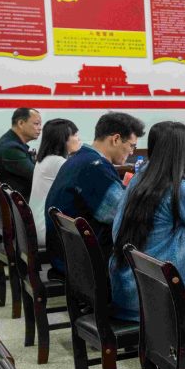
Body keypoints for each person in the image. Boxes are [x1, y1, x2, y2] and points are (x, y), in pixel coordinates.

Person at [109, 122, 185, 321]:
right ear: (184, 153)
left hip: (128, 291)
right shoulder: (175, 189)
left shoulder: (141, 178)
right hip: (159, 301)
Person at [44, 112, 145, 272]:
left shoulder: (79, 159)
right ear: (116, 139)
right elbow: (124, 216)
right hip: (84, 262)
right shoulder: (95, 168)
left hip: (66, 254)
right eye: (132, 146)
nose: (132, 152)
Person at [29, 119, 81, 244]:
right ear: (63, 139)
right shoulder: (58, 162)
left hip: (35, 225)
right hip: (47, 229)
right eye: (75, 135)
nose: (79, 139)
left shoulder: (45, 159)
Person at [0, 107, 42, 198]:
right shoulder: (11, 149)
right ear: (21, 123)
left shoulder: (10, 141)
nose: (40, 128)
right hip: (15, 202)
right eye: (36, 124)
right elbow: (37, 177)